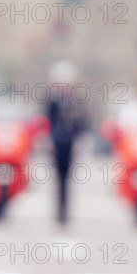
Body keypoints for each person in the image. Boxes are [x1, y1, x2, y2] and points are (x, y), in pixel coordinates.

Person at [46, 60, 88, 225]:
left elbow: (81, 122)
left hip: (69, 143)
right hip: (56, 143)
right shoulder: (52, 101)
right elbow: (47, 120)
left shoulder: (76, 101)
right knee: (57, 178)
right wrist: (48, 139)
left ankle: (65, 211)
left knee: (67, 179)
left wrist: (79, 140)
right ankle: (58, 211)